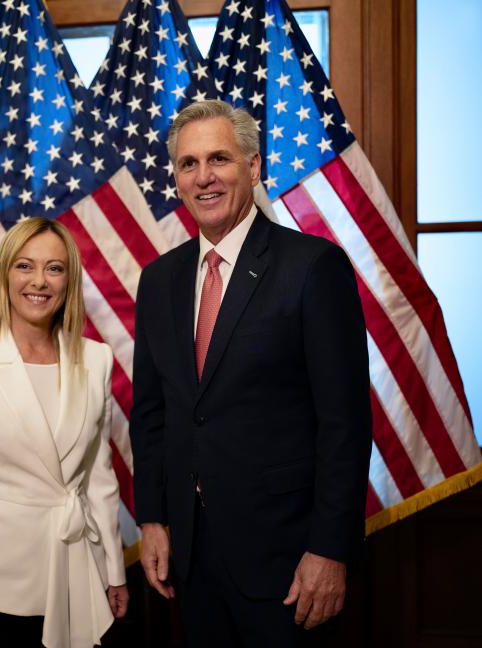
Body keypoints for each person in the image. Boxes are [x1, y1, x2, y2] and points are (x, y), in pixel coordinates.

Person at [130, 99, 372, 647]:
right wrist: (152, 518)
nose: (204, 177)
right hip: (189, 560)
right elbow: (151, 412)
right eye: (188, 164)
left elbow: (346, 423)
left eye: (220, 158)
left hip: (288, 563)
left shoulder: (312, 267)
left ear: (254, 165)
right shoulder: (160, 280)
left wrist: (329, 549)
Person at [0, 217, 128, 648]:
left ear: (69, 280)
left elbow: (99, 481)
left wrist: (113, 571)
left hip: (77, 574)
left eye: (54, 268)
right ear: (4, 274)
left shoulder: (97, 359)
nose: (40, 281)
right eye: (25, 266)